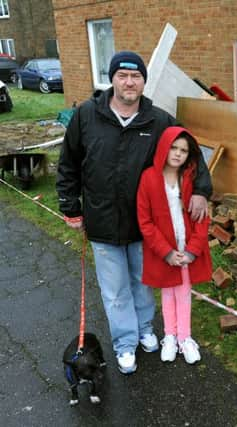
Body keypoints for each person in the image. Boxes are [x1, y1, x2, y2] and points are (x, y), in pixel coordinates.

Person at [56, 51, 212, 374]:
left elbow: (190, 150)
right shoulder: (87, 116)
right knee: (114, 291)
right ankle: (125, 343)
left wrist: (200, 190)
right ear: (111, 79)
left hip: (146, 225)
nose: (129, 82)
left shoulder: (158, 120)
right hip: (102, 222)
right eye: (122, 75)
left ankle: (144, 330)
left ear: (143, 81)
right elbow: (68, 163)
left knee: (143, 283)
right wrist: (71, 207)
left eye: (136, 76)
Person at [136, 126, 212, 364]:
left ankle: (185, 338)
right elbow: (145, 220)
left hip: (186, 249)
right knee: (167, 292)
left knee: (184, 292)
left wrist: (193, 250)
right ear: (163, 149)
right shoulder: (148, 177)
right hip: (165, 250)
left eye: (184, 150)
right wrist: (165, 252)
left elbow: (201, 218)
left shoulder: (190, 179)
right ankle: (169, 336)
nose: (178, 154)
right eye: (174, 148)